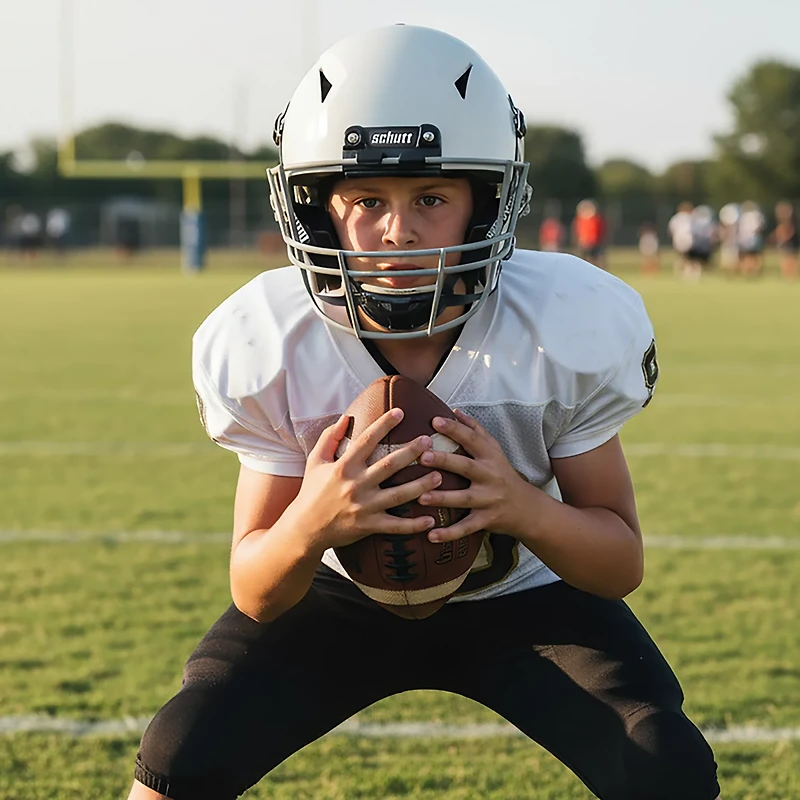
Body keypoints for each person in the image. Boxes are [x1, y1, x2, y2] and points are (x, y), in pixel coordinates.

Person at [128, 25, 722, 800]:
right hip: (336, 595)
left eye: (431, 198)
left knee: (662, 762)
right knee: (180, 753)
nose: (399, 228)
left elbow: (618, 564)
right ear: (316, 208)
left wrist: (520, 508)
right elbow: (256, 588)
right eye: (368, 199)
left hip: (525, 594)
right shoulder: (272, 341)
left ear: (486, 203)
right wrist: (313, 523)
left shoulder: (561, 324)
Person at [572, 198, 607, 269]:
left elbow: (599, 232)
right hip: (585, 243)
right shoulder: (580, 220)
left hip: (594, 243)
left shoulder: (596, 220)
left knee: (596, 260)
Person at [737, 201, 765, 277]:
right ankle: (752, 271)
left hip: (746, 239)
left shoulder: (743, 216)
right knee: (754, 256)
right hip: (753, 239)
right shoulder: (757, 216)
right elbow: (760, 227)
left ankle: (747, 271)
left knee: (747, 255)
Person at [772, 200, 798, 280]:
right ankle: (786, 274)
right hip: (785, 243)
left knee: (791, 258)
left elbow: (789, 231)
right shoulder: (783, 223)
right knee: (785, 258)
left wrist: (785, 237)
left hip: (789, 242)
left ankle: (792, 274)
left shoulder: (789, 223)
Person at [668, 201, 694, 277]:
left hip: (678, 239)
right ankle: (688, 272)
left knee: (681, 256)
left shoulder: (675, 218)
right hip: (688, 239)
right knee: (689, 257)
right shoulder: (691, 217)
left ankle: (679, 271)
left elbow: (671, 230)